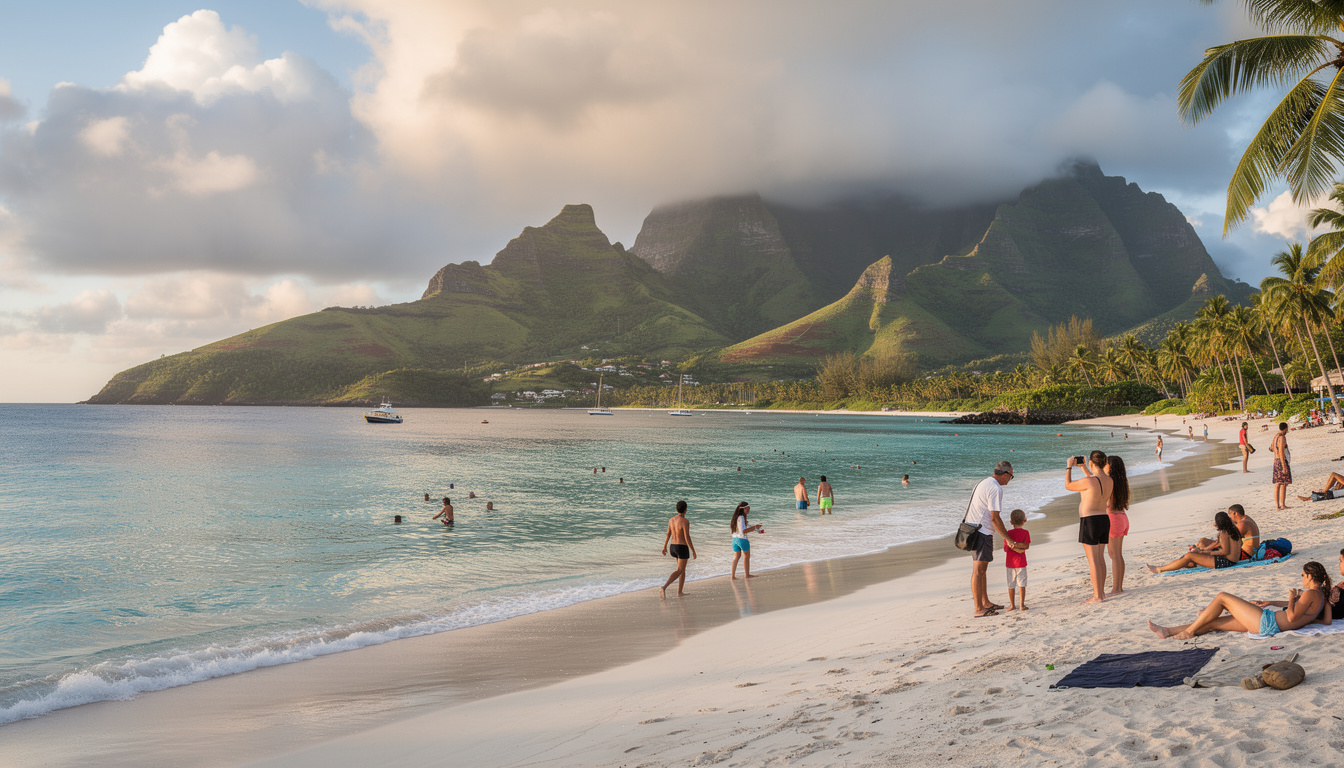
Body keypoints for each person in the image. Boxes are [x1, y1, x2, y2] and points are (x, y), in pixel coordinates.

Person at [1148, 562, 1332, 639]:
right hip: (1268, 622)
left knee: (1222, 597)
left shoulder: (1310, 593)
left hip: (1266, 622)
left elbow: (1291, 617)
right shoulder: (1320, 596)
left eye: (1303, 575)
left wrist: (1292, 599)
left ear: (1310, 576)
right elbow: (1325, 621)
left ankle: (1190, 630)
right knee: (1214, 623)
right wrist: (1271, 602)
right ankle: (1168, 631)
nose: (1302, 578)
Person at [963, 461, 1014, 617]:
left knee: (982, 570)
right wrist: (1008, 538)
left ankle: (985, 602)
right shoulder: (995, 488)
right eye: (1011, 476)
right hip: (981, 531)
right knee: (978, 571)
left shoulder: (984, 482)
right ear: (1005, 474)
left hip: (975, 529)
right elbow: (995, 518)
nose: (1010, 479)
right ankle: (978, 608)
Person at [1066, 451, 1112, 603]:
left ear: (1092, 463)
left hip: (1090, 520)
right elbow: (1094, 483)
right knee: (1100, 558)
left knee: (1093, 561)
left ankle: (1097, 596)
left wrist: (1069, 467)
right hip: (1103, 519)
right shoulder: (1109, 480)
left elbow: (1068, 485)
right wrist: (1084, 468)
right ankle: (1101, 592)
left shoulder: (1090, 481)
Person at [1147, 511, 1243, 572]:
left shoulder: (1224, 532)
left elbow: (1225, 552)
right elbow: (1240, 544)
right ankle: (1185, 564)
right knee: (1190, 558)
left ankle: (1160, 569)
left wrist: (1206, 552)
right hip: (1233, 560)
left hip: (1226, 562)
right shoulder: (1234, 529)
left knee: (1189, 555)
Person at [1104, 455, 1130, 595]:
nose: (1104, 466)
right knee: (1117, 555)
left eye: (1106, 464)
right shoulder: (1121, 482)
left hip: (1113, 519)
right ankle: (1118, 586)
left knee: (1114, 555)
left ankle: (1116, 588)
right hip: (1122, 518)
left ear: (1111, 467)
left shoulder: (1109, 482)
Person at [661, 500, 696, 597]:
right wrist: (693, 550)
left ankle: (680, 592)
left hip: (673, 547)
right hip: (681, 547)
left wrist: (664, 547)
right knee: (680, 570)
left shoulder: (671, 520)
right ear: (685, 510)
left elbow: (668, 534)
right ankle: (664, 587)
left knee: (682, 570)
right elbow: (687, 537)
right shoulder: (685, 521)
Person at [1004, 509, 1030, 610]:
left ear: (1011, 522)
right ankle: (1022, 605)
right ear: (1025, 520)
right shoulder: (1025, 532)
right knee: (1022, 584)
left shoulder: (1008, 534)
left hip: (1010, 563)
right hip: (1021, 562)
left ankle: (1012, 605)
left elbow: (1006, 549)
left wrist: (1013, 546)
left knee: (1011, 584)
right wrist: (1019, 550)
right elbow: (1026, 546)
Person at [729, 502, 763, 579]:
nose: (748, 510)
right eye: (747, 508)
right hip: (742, 540)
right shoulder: (741, 517)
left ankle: (732, 576)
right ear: (742, 509)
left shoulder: (735, 517)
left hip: (734, 540)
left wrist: (754, 529)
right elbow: (744, 531)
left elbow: (740, 529)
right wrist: (755, 527)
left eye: (749, 508)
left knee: (736, 557)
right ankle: (747, 575)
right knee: (746, 557)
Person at [1270, 421, 1292, 510]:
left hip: (1276, 461)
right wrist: (1284, 465)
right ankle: (1282, 505)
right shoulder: (1282, 437)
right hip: (1281, 461)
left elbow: (1271, 448)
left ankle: (1278, 505)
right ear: (1285, 429)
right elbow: (1281, 451)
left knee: (1278, 483)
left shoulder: (1276, 436)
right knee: (1283, 483)